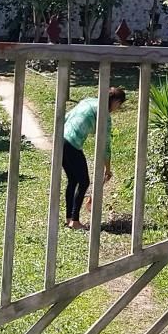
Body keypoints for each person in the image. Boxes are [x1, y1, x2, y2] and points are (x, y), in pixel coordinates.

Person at [59, 84, 126, 230]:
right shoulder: (104, 115)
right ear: (116, 102)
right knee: (84, 182)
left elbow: (67, 116)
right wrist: (107, 169)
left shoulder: (89, 100)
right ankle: (75, 221)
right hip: (72, 144)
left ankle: (69, 218)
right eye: (119, 105)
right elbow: (105, 146)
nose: (117, 109)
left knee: (73, 180)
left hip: (60, 138)